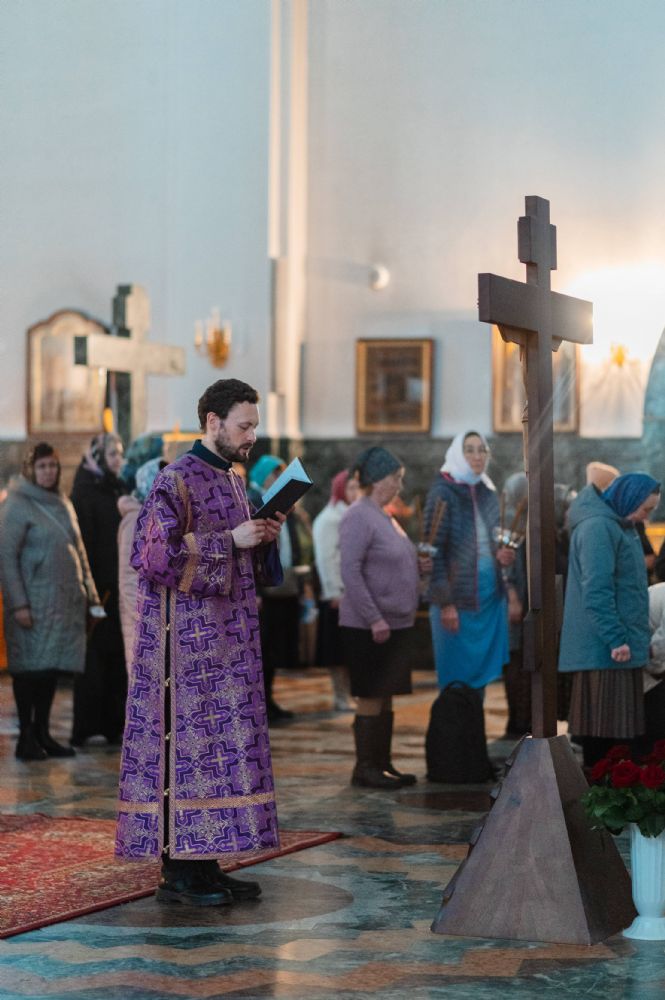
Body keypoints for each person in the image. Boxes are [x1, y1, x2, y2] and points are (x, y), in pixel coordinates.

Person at [115, 378, 284, 907]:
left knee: (218, 757)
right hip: (183, 655)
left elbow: (242, 559)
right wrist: (229, 540)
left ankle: (206, 864)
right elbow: (151, 556)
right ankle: (178, 874)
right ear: (213, 422)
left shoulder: (233, 480)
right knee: (187, 754)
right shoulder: (176, 479)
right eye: (244, 426)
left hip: (229, 646)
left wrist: (263, 538)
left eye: (254, 426)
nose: (252, 436)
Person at [1, 443, 101, 760]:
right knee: (29, 671)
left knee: (50, 670)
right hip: (32, 604)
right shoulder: (17, 504)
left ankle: (43, 733)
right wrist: (18, 604)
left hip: (63, 604)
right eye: (42, 466)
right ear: (31, 470)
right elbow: (6, 557)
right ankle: (26, 737)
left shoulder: (62, 502)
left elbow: (79, 551)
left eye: (52, 466)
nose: (48, 472)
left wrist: (92, 596)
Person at [339, 446, 429, 789]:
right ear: (378, 480)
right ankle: (365, 768)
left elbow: (390, 561)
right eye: (396, 478)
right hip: (368, 624)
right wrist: (374, 617)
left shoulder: (383, 514)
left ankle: (382, 763)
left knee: (386, 691)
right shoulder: (358, 515)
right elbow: (350, 571)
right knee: (371, 693)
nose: (399, 486)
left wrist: (417, 565)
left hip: (394, 622)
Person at [559, 472, 661, 768]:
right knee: (604, 734)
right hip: (605, 650)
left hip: (619, 647)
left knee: (618, 735)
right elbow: (597, 590)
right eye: (646, 508)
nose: (647, 516)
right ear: (629, 499)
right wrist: (616, 638)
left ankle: (611, 791)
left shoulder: (619, 525)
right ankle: (600, 791)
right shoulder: (598, 528)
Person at [424, 431, 513, 694]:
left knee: (481, 679)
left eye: (482, 450)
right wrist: (445, 602)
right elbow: (432, 553)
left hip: (487, 599)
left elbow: (494, 540)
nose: (477, 456)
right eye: (470, 450)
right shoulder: (442, 493)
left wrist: (502, 556)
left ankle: (475, 723)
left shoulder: (487, 491)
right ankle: (457, 723)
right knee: (456, 678)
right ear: (457, 454)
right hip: (456, 601)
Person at [70, 432, 128, 745]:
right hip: (98, 589)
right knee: (94, 660)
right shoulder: (85, 492)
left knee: (116, 658)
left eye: (120, 454)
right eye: (112, 454)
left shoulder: (118, 487)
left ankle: (113, 724)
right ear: (98, 458)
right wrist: (91, 591)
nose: (118, 460)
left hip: (118, 588)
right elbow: (85, 545)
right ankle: (86, 726)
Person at [248, 454, 300, 722]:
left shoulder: (279, 502)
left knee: (276, 649)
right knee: (263, 650)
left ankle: (270, 700)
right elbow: (252, 548)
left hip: (282, 586)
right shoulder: (253, 500)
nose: (278, 479)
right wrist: (255, 591)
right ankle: (261, 704)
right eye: (274, 474)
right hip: (263, 591)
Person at [312, 469, 360, 710]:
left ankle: (351, 692)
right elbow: (326, 557)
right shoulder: (330, 518)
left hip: (354, 593)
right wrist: (334, 591)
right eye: (350, 487)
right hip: (338, 594)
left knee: (351, 648)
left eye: (358, 487)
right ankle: (340, 695)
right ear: (341, 489)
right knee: (337, 649)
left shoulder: (353, 514)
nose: (355, 492)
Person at [117, 456, 166, 667]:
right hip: (142, 622)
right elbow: (128, 578)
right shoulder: (136, 519)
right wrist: (146, 618)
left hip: (157, 618)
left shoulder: (159, 516)